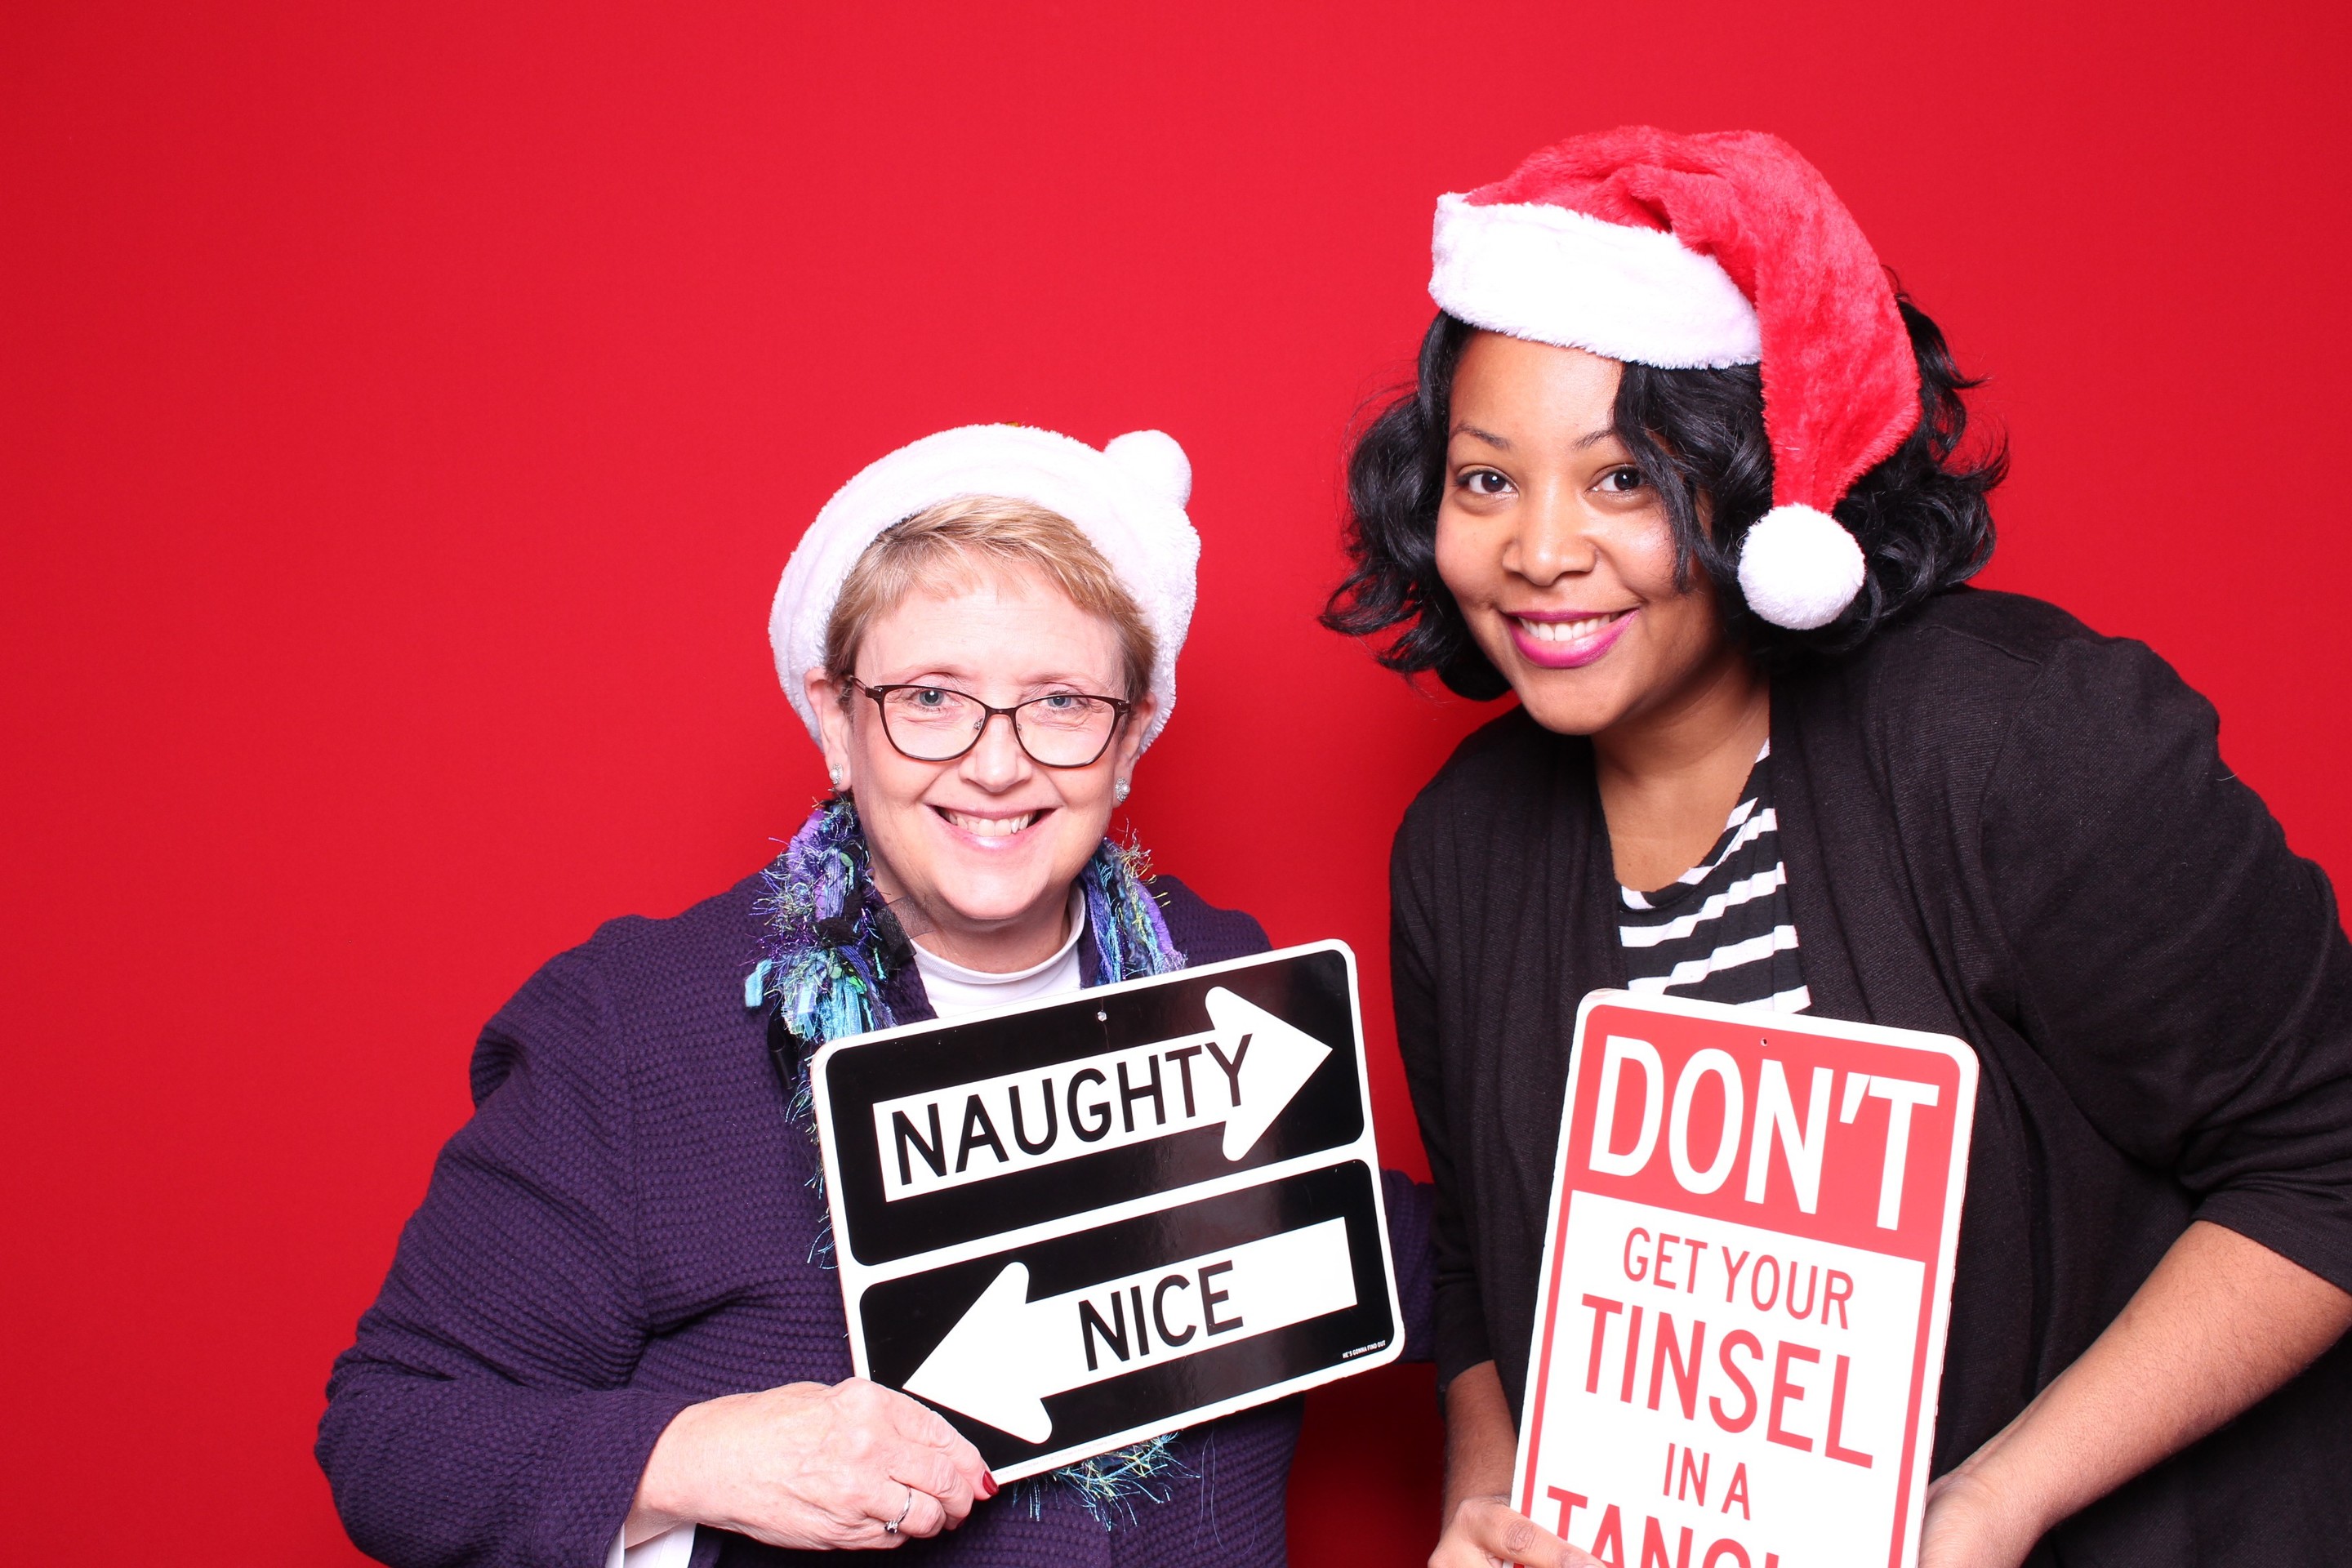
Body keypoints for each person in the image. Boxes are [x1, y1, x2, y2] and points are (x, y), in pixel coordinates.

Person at [1323, 127, 2352, 1567]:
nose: (1539, 552)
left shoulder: (2020, 739)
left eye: (1623, 481)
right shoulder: (1463, 849)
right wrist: (1483, 1521)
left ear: (1766, 485)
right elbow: (1486, 1278)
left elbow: (2324, 1165)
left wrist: (1998, 1501)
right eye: (1486, 481)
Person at [319, 422, 1434, 1567]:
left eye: (1060, 702)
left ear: (1132, 734)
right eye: (931, 698)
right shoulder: (640, 1030)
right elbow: (393, 1435)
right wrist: (702, 1457)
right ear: (836, 720)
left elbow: (1412, 1259)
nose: (996, 764)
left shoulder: (1220, 977)